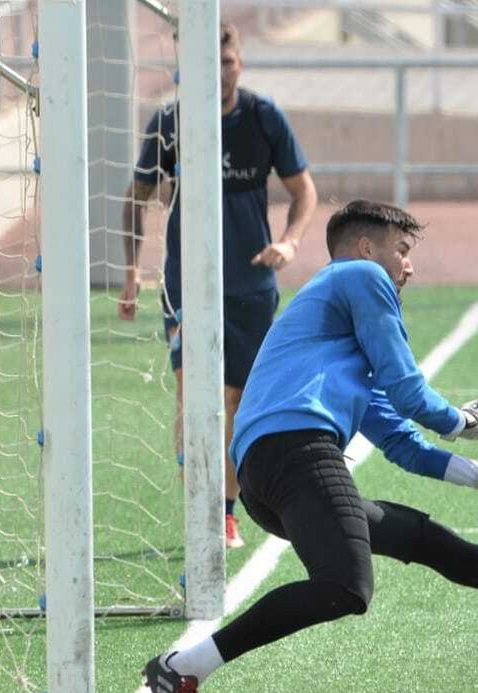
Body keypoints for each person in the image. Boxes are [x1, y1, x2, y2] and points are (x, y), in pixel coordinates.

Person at [142, 201, 478, 693]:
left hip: (276, 471)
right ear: (365, 248)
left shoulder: (340, 345)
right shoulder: (359, 277)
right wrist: (466, 421)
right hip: (295, 453)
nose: (409, 266)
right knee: (346, 587)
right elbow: (410, 390)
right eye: (402, 251)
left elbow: (400, 440)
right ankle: (184, 665)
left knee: (436, 545)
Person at [119, 22, 318, 550]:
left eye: (227, 62)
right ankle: (200, 512)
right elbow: (135, 196)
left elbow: (304, 191)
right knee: (192, 392)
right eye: (209, 63)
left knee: (235, 401)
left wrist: (291, 242)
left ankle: (226, 511)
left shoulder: (263, 117)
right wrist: (132, 272)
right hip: (185, 284)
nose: (220, 72)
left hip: (251, 287)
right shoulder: (169, 122)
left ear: (239, 64)